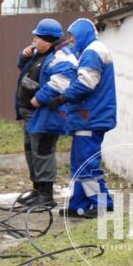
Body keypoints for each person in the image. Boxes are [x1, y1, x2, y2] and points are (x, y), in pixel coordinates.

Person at [49, 18, 117, 219]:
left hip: (91, 116)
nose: (71, 41)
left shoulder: (92, 52)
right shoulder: (92, 50)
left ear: (82, 34)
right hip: (88, 116)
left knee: (87, 163)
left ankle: (102, 203)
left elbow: (86, 84)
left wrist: (62, 97)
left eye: (73, 36)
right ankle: (78, 204)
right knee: (80, 162)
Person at [14, 18, 76, 209]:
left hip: (46, 113)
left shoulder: (62, 57)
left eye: (37, 37)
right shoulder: (39, 54)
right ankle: (37, 190)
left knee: (43, 152)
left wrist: (38, 98)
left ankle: (47, 196)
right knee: (31, 152)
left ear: (47, 40)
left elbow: (61, 82)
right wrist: (23, 57)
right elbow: (23, 68)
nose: (33, 40)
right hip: (30, 114)